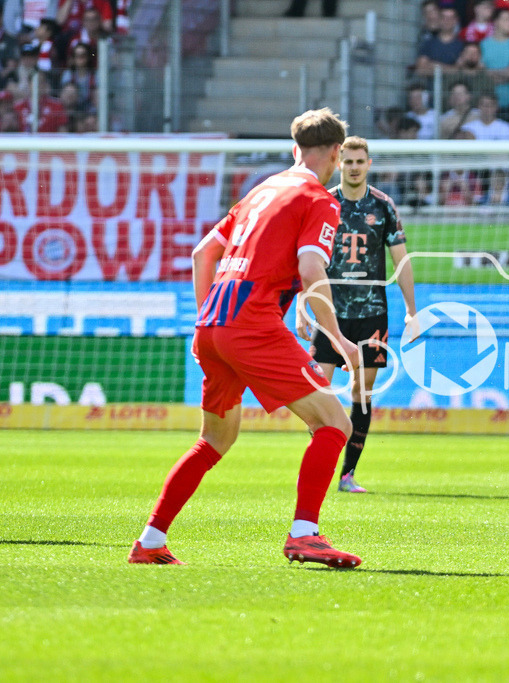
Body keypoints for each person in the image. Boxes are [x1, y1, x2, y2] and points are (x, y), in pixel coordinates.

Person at [129, 109, 362, 569]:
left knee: (213, 440)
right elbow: (311, 269)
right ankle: (305, 535)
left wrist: (207, 320)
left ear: (295, 150)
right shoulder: (319, 199)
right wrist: (337, 337)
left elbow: (203, 254)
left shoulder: (260, 192)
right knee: (335, 424)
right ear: (336, 153)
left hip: (213, 323)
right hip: (252, 325)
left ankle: (150, 540)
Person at [306, 136, 418, 492]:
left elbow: (402, 261)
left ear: (369, 164)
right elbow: (307, 259)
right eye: (348, 161)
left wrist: (412, 312)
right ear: (339, 162)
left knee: (362, 393)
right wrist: (300, 306)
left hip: (372, 313)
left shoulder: (383, 206)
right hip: (330, 312)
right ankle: (322, 457)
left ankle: (347, 474)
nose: (354, 167)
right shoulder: (325, 202)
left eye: (360, 161)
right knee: (315, 389)